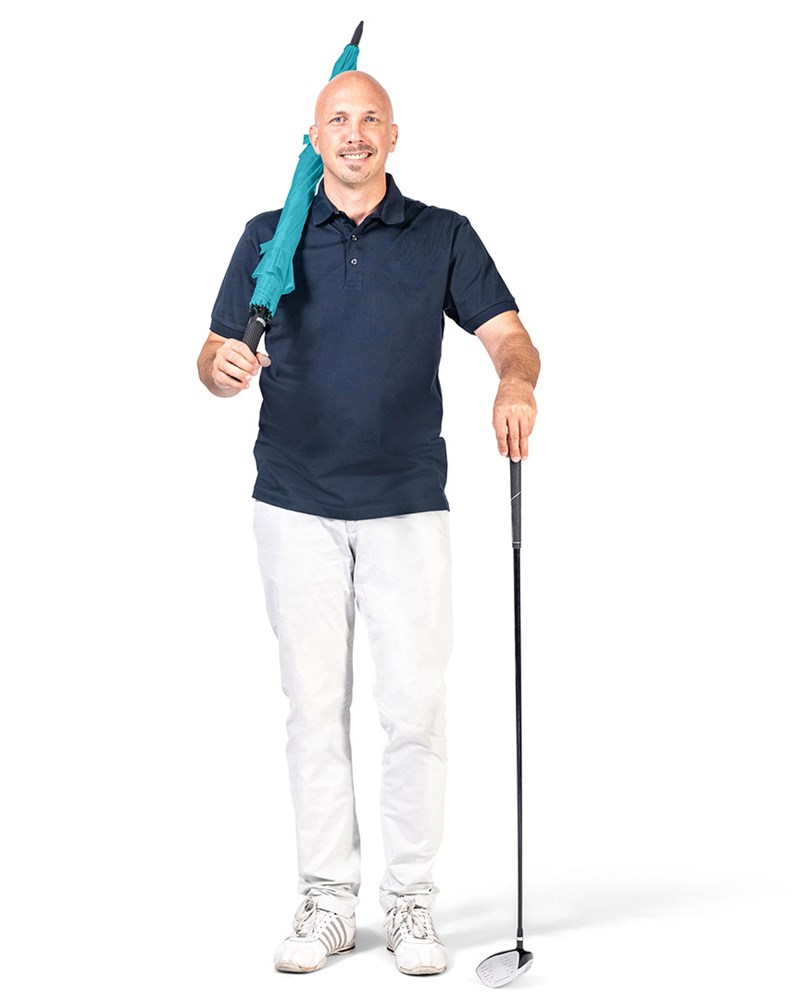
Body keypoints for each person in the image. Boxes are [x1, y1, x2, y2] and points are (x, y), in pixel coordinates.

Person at [197, 70, 539, 978]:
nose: (354, 133)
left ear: (394, 136)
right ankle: (328, 902)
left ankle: (411, 901)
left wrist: (514, 381)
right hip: (294, 501)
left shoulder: (442, 234)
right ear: (313, 139)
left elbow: (508, 333)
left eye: (370, 119)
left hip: (407, 504)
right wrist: (220, 367)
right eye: (337, 120)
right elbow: (215, 350)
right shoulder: (267, 235)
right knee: (314, 710)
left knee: (415, 711)